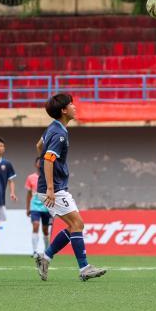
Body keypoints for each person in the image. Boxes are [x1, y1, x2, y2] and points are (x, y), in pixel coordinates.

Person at [34, 93, 107, 282]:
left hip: (54, 186)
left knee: (74, 225)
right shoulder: (59, 134)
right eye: (71, 104)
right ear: (63, 110)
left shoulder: (53, 127)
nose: (75, 107)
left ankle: (45, 257)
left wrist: (48, 172)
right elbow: (48, 159)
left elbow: (39, 145)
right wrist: (50, 187)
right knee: (77, 224)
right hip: (54, 188)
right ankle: (84, 268)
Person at [25, 157, 52, 258]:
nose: (40, 164)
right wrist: (28, 208)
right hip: (34, 207)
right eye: (39, 162)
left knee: (45, 230)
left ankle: (47, 251)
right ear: (35, 164)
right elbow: (28, 194)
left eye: (42, 162)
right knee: (35, 225)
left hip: (46, 207)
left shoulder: (49, 177)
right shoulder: (30, 177)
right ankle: (35, 251)